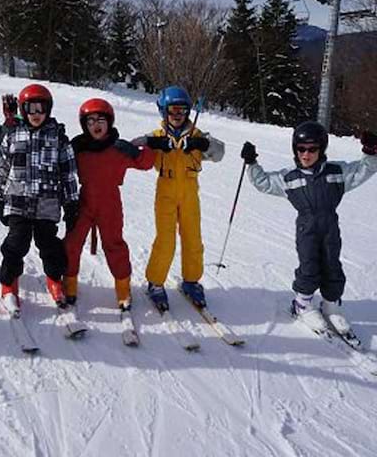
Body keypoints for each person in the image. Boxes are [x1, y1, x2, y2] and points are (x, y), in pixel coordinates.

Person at [240, 124, 377, 337]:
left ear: (321, 149)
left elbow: (363, 170)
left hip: (330, 226)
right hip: (307, 228)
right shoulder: (290, 177)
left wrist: (370, 152)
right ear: (295, 149)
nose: (306, 154)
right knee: (309, 264)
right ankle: (302, 304)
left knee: (332, 264)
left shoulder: (336, 172)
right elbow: (264, 183)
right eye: (301, 149)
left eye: (312, 149)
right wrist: (252, 163)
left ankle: (331, 305)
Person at [138, 85, 224, 311]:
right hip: (165, 192)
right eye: (173, 111)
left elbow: (220, 153)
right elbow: (132, 146)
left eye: (182, 111)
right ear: (163, 111)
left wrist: (203, 144)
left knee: (193, 238)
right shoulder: (157, 135)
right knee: (166, 240)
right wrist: (151, 143)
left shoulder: (197, 135)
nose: (178, 116)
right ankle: (156, 282)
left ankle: (192, 280)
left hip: (189, 194)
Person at [0, 84, 79, 314]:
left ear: (48, 110)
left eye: (41, 108)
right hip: (18, 201)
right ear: (23, 110)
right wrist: (0, 197)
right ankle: (8, 286)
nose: (36, 113)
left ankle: (54, 280)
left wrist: (71, 203)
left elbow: (68, 173)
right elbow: (3, 168)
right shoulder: (13, 135)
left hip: (47, 204)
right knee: (16, 244)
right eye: (30, 108)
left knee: (50, 245)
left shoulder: (58, 138)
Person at [64, 98, 154, 311]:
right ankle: (70, 282)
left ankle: (123, 286)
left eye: (101, 119)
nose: (96, 124)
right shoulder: (79, 149)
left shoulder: (118, 149)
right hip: (83, 202)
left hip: (110, 204)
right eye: (90, 120)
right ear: (84, 125)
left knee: (114, 244)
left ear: (110, 122)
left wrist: (140, 150)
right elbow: (57, 163)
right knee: (72, 242)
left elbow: (146, 163)